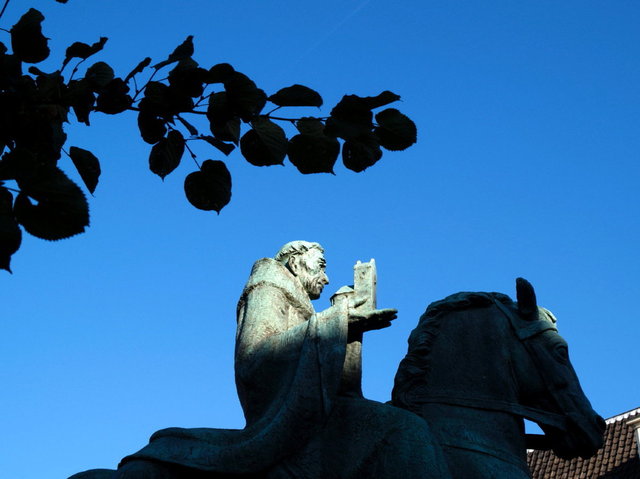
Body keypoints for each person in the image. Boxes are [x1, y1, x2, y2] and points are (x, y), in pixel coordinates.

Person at [74, 241, 450, 479]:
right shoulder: (267, 288)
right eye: (319, 265)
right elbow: (256, 358)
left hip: (324, 413)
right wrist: (335, 322)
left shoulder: (308, 309)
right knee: (405, 429)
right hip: (282, 422)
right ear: (295, 264)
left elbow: (345, 388)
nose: (325, 274)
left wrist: (348, 328)